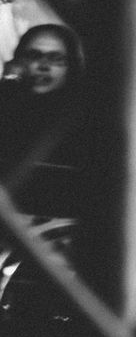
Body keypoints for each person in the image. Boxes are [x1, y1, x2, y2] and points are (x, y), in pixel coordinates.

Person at [0, 24, 86, 218]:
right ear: (19, 62)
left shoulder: (82, 116)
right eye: (34, 56)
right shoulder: (8, 100)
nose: (44, 66)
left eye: (56, 59)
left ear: (70, 67)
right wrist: (10, 83)